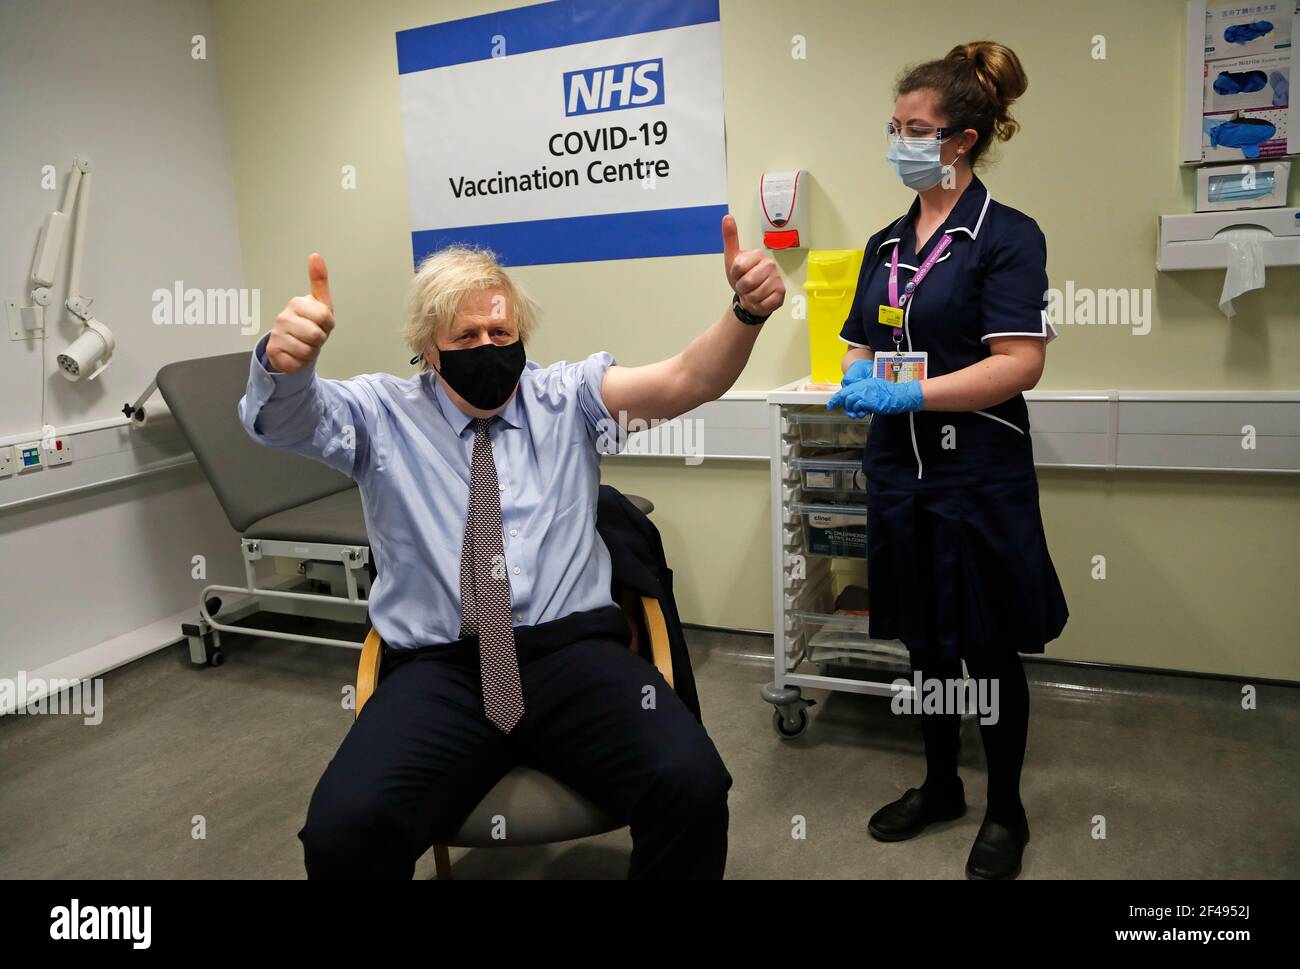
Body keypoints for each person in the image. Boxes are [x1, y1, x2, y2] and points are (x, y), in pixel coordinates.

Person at [238, 216, 785, 879]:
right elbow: (284, 421)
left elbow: (688, 379)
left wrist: (744, 312)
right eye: (465, 335)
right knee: (342, 828)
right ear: (428, 348)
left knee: (691, 782)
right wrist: (282, 365)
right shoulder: (381, 416)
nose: (487, 346)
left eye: (501, 332)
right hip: (440, 669)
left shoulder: (567, 399)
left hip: (573, 654)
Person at [828, 41, 1069, 880]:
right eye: (893, 126)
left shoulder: (1005, 236)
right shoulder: (885, 245)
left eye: (917, 129)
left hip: (977, 478)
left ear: (962, 139)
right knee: (926, 645)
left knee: (988, 645)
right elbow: (861, 342)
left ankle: (1004, 806)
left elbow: (1018, 362)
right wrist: (861, 383)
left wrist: (912, 398)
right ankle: (940, 784)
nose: (901, 141)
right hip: (900, 474)